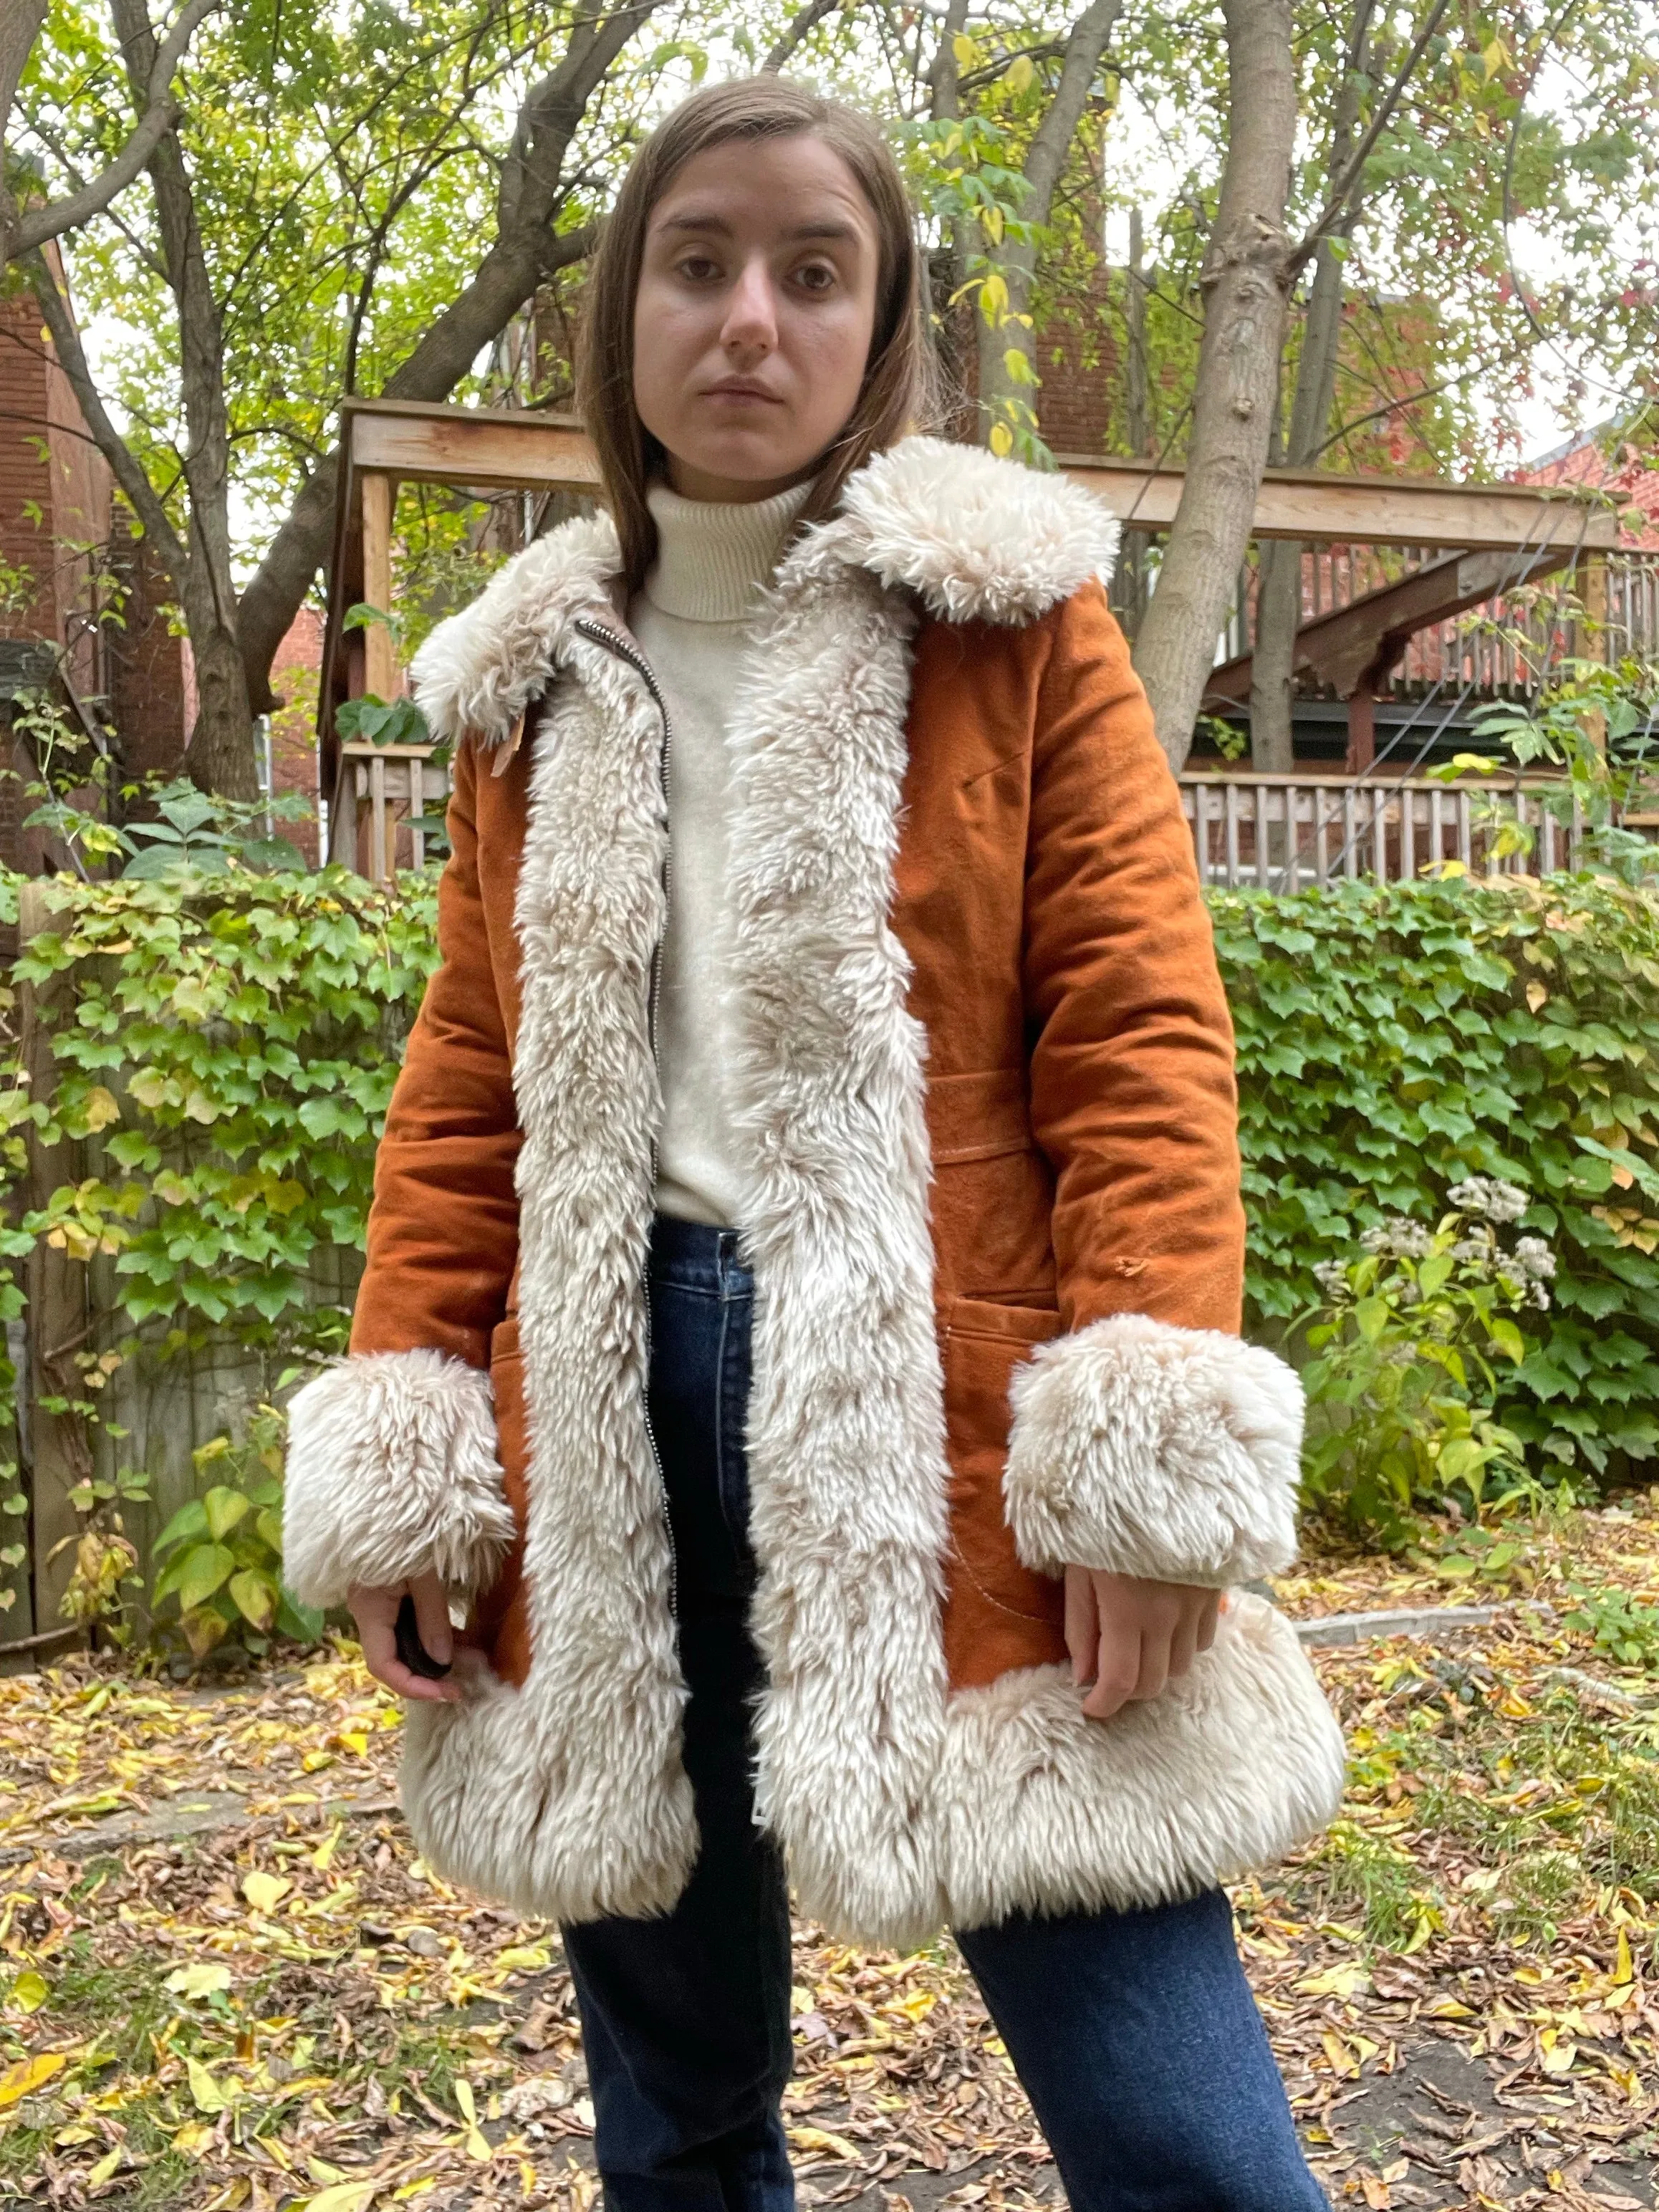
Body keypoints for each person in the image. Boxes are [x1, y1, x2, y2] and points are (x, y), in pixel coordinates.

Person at [285, 74, 1345, 2212]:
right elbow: (466, 1092)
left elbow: (1136, 1040)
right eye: (698, 265)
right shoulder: (523, 681)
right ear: (620, 318)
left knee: (1175, 2132)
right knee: (677, 2116)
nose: (748, 319)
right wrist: (410, 1443)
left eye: (811, 271)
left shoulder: (1011, 620)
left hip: (950, 1416)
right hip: (602, 1434)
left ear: (880, 327)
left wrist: (1135, 1470)